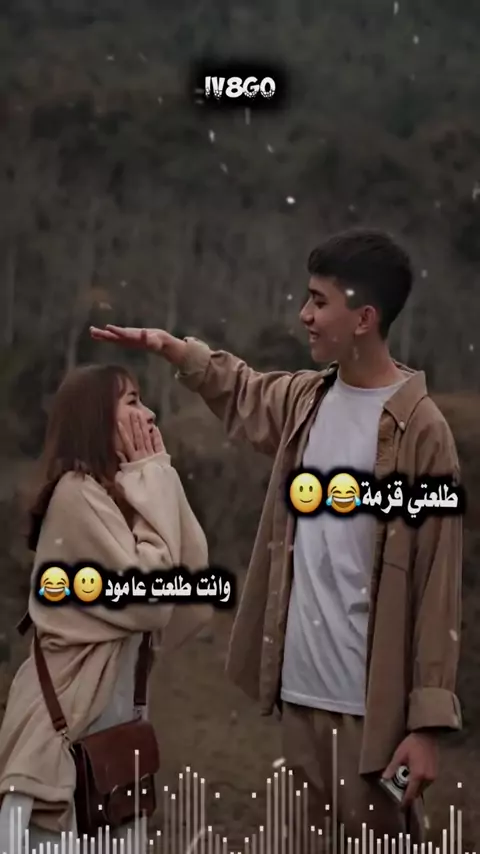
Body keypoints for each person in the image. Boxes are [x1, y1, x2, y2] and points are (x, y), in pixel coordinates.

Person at [90, 227, 463, 846]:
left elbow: (437, 587)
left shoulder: (422, 431)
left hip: (370, 715)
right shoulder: (308, 400)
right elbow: (242, 389)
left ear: (364, 318)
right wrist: (174, 350)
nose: (304, 315)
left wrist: (424, 727)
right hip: (299, 698)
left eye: (319, 301)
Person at [0, 364, 212, 852]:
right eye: (133, 401)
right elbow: (151, 600)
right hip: (62, 754)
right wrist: (151, 475)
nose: (150, 414)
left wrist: (158, 473)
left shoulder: (116, 499)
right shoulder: (77, 496)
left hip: (106, 757)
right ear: (97, 418)